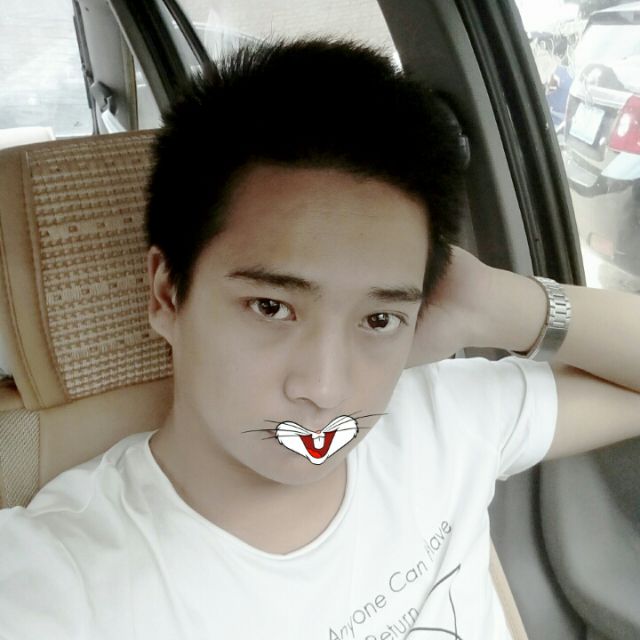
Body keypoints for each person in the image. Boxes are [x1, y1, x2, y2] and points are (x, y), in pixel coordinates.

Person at [0, 38, 639, 640]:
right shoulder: (64, 578)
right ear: (167, 294)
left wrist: (494, 304)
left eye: (378, 320)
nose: (327, 390)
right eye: (271, 307)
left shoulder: (440, 417)